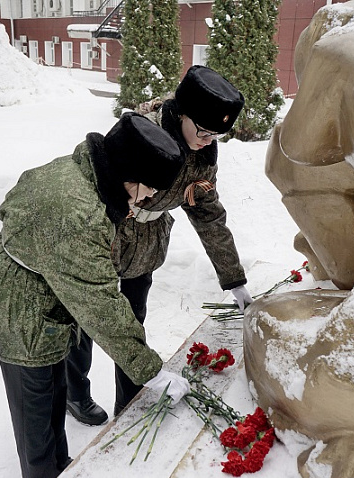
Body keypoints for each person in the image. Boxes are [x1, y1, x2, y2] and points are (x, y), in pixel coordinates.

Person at [0, 112, 191, 478]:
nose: (150, 198)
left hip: (41, 303)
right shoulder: (81, 214)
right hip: (18, 315)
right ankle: (44, 473)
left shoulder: (82, 172)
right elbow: (101, 304)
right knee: (35, 413)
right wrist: (151, 370)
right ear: (130, 175)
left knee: (54, 394)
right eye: (149, 188)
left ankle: (61, 468)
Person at [65, 65, 252, 423]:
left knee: (133, 322)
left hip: (147, 242)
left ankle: (130, 402)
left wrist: (234, 278)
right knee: (86, 317)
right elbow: (101, 184)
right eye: (202, 130)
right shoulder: (140, 133)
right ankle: (76, 393)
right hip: (108, 233)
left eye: (216, 135)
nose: (207, 140)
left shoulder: (202, 154)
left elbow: (207, 214)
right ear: (182, 112)